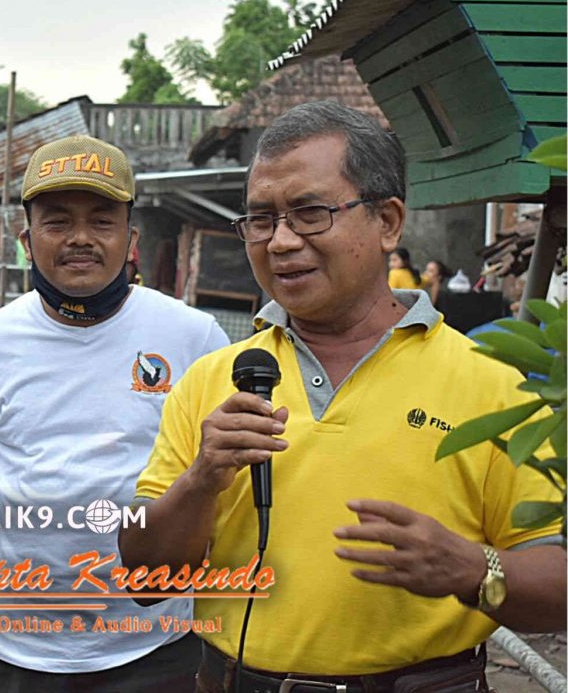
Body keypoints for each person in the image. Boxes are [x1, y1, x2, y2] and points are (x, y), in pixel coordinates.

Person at [120, 101, 566, 692]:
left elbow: (558, 585)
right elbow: (146, 578)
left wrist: (472, 568)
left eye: (310, 214)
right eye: (261, 220)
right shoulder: (212, 381)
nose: (280, 242)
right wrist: (201, 479)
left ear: (388, 222)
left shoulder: (493, 382)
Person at [0, 135, 230, 692]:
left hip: (156, 641)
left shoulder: (193, 337)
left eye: (101, 221)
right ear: (27, 240)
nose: (80, 239)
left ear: (131, 239)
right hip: (16, 641)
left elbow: (221, 481)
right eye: (58, 221)